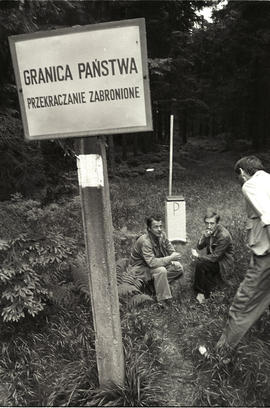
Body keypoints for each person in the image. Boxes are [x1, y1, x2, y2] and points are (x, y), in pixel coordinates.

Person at [217, 155, 270, 351]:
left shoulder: (251, 185)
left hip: (266, 257)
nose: (239, 182)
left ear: (242, 173)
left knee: (242, 305)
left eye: (238, 177)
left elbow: (269, 217)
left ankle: (220, 355)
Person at [128, 215, 183, 305]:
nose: (159, 229)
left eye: (160, 226)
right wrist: (170, 258)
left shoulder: (162, 235)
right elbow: (152, 263)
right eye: (156, 227)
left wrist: (173, 260)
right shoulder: (145, 242)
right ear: (149, 229)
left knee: (178, 268)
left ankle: (154, 287)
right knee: (161, 271)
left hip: (153, 265)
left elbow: (171, 250)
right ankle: (163, 301)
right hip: (140, 269)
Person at [192, 209, 234, 302]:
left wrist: (199, 257)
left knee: (201, 264)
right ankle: (205, 294)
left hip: (223, 263)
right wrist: (204, 236)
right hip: (214, 260)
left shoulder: (223, 235)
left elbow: (216, 257)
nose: (209, 226)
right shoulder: (209, 231)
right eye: (207, 223)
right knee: (202, 264)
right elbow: (199, 246)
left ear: (217, 223)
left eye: (212, 223)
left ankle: (200, 293)